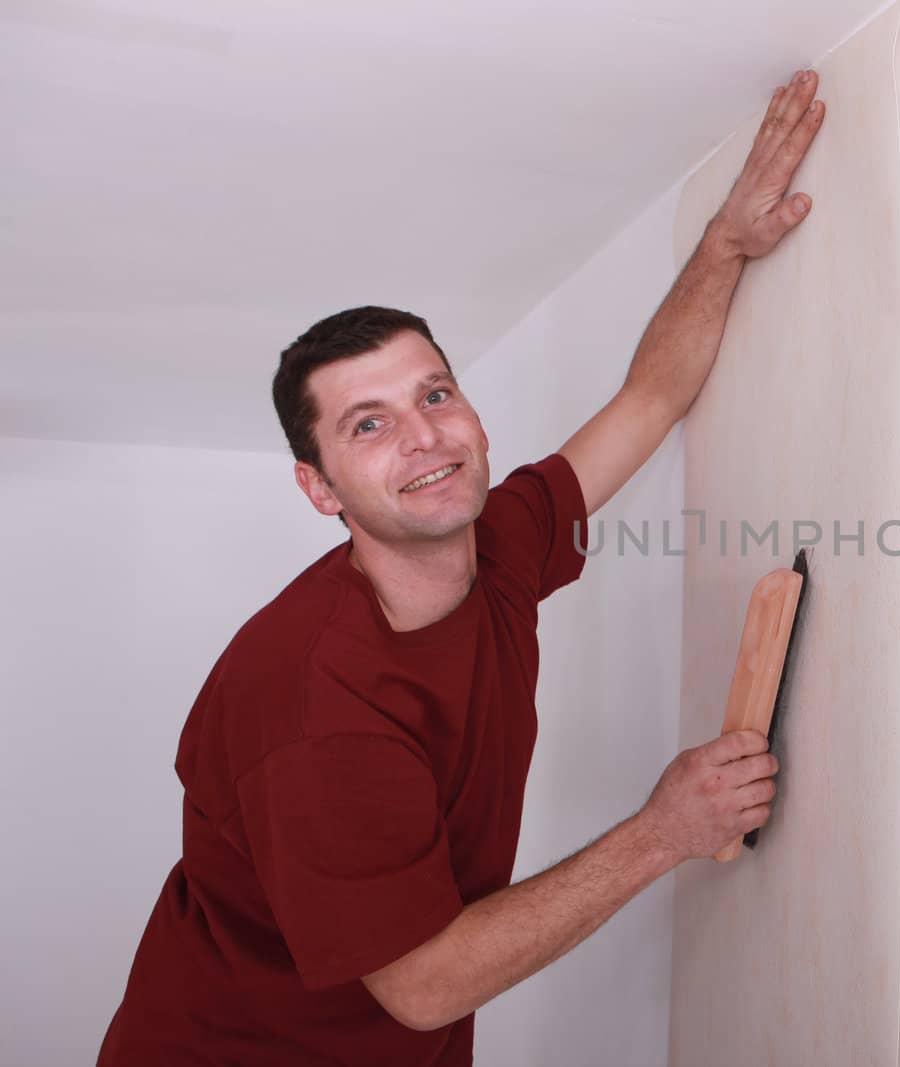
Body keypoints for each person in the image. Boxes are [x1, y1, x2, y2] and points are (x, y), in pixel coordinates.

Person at [96, 69, 827, 1066]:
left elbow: (649, 400)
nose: (424, 435)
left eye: (434, 392)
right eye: (369, 423)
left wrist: (724, 245)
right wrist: (666, 828)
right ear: (320, 489)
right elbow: (423, 983)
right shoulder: (314, 707)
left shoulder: (495, 549)